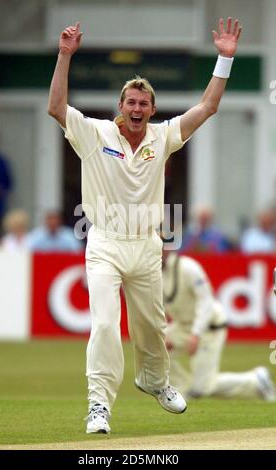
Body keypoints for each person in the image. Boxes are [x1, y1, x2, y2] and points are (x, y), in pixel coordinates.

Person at [48, 18, 242, 434]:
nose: (136, 110)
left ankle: (154, 382)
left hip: (146, 246)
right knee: (103, 324)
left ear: (152, 109)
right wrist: (65, 55)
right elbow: (56, 108)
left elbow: (207, 108)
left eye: (143, 104)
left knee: (152, 327)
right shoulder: (95, 133)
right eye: (130, 103)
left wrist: (224, 60)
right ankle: (98, 405)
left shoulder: (163, 136)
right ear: (121, 106)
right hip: (104, 243)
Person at [163, 252, 276, 401]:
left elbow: (206, 302)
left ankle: (256, 381)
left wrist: (195, 334)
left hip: (209, 327)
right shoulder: (152, 272)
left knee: (203, 389)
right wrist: (164, 333)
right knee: (154, 349)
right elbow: (156, 308)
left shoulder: (188, 267)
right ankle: (182, 390)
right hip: (182, 327)